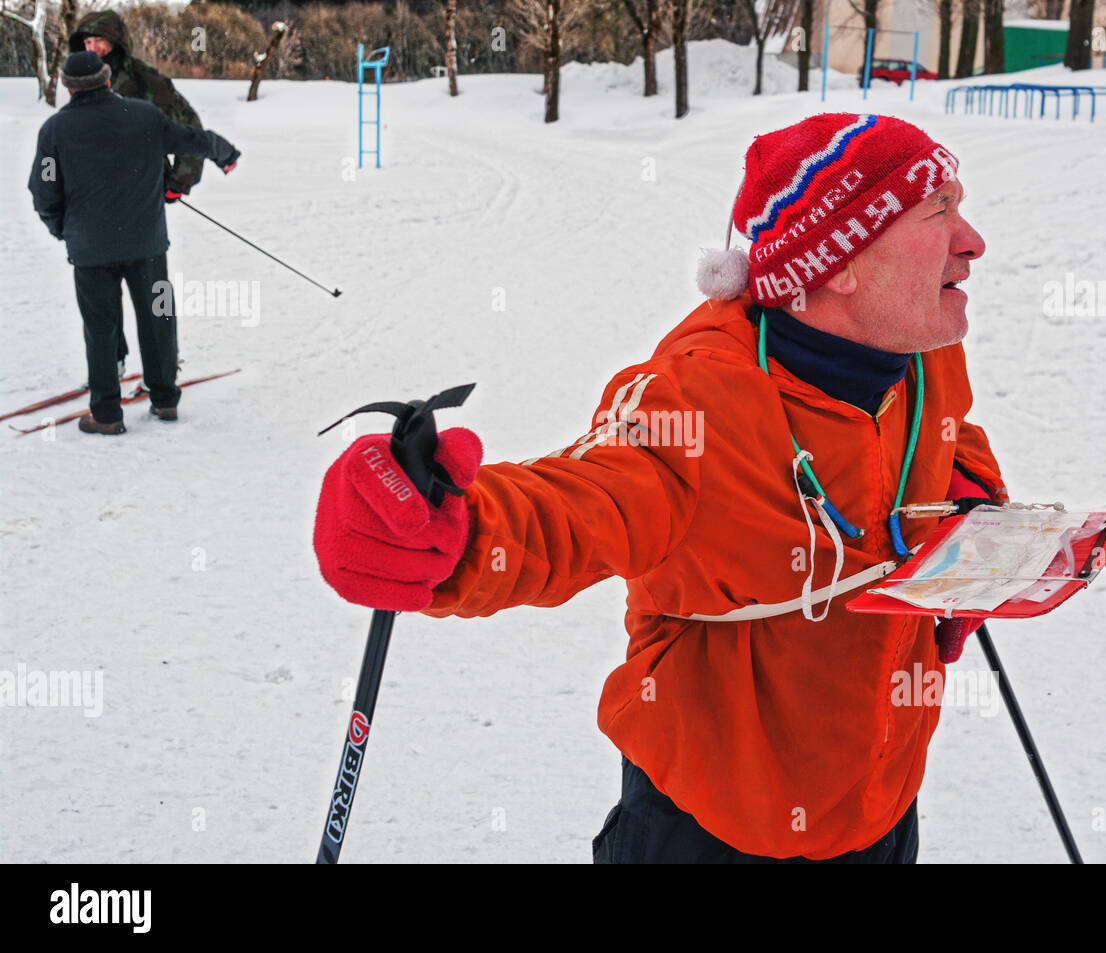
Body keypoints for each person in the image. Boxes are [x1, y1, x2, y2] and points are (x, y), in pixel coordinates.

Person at [313, 113, 1010, 862]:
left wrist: (965, 505)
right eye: (938, 210)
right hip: (708, 831)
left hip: (879, 816)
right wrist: (447, 531)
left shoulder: (920, 357)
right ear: (838, 262)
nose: (972, 240)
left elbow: (947, 438)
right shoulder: (698, 400)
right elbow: (584, 499)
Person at [27, 51, 241, 435]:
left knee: (101, 328)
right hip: (147, 247)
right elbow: (189, 139)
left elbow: (44, 190)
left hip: (90, 251)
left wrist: (62, 228)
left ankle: (107, 414)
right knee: (158, 318)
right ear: (107, 80)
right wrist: (223, 152)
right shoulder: (144, 116)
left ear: (67, 87)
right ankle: (164, 400)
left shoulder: (54, 131)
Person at [70, 9, 209, 379]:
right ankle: (110, 363)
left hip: (142, 210)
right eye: (86, 42)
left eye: (99, 40)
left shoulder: (148, 81)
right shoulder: (80, 79)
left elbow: (190, 131)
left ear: (117, 41)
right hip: (93, 210)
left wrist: (178, 182)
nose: (93, 48)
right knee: (101, 300)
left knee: (155, 301)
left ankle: (164, 378)